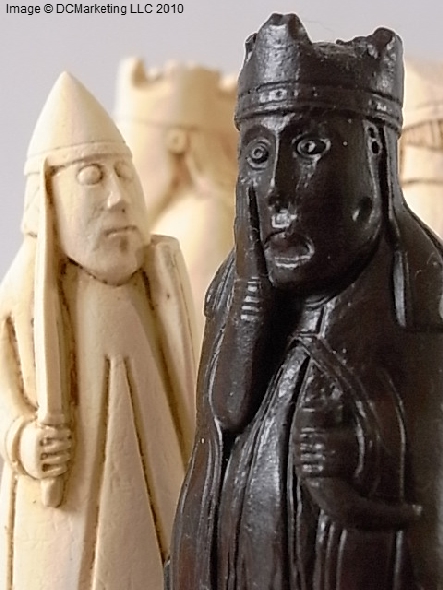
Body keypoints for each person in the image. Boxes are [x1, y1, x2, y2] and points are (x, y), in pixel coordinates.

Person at [168, 14, 443, 590]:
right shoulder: (234, 292)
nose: (275, 188)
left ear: (375, 151)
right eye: (258, 154)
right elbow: (223, 423)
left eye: (310, 146)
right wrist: (249, 300)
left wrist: (362, 455)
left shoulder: (423, 304)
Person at [0, 72, 196, 590]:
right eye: (92, 177)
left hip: (160, 504)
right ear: (48, 196)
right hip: (62, 530)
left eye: (125, 174)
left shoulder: (155, 286)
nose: (118, 197)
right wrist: (22, 439)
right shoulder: (21, 295)